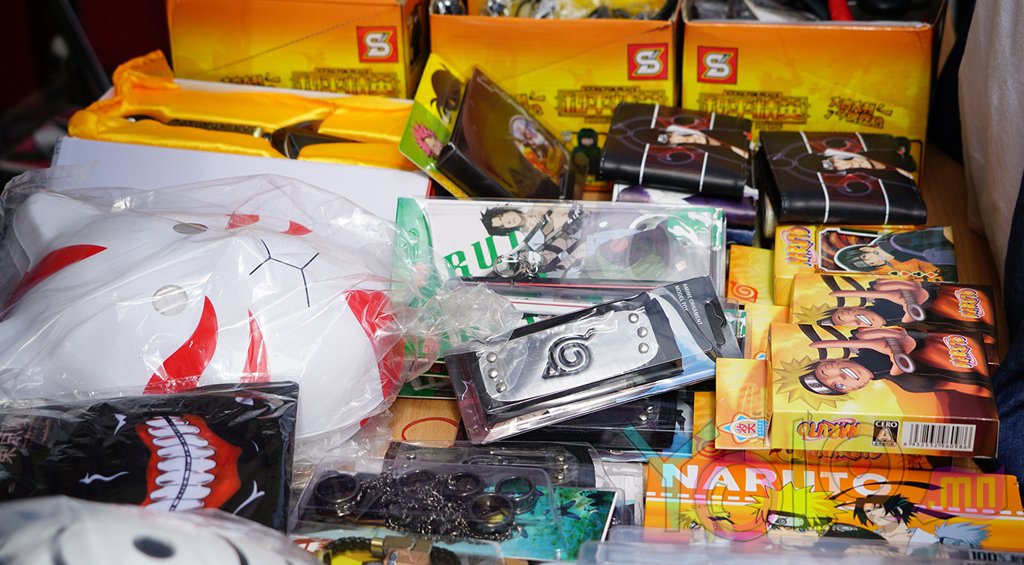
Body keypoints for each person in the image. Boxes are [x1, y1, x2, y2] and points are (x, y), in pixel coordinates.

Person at [831, 227, 957, 280]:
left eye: (864, 257)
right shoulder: (900, 254)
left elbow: (943, 234)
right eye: (868, 264)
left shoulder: (897, 241)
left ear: (865, 249)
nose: (872, 261)